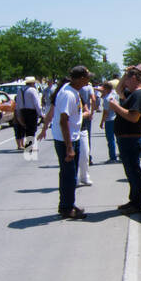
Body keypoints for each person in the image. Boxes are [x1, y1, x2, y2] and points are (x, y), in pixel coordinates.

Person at [48, 66, 89, 219]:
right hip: (67, 140)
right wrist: (69, 147)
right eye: (87, 77)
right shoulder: (68, 94)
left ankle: (68, 204)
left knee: (70, 175)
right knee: (69, 176)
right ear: (80, 79)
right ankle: (66, 208)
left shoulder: (71, 90)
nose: (89, 79)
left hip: (73, 137)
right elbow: (63, 121)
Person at [109, 66, 141, 215]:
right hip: (127, 139)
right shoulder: (133, 93)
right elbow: (119, 89)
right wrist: (127, 72)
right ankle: (133, 201)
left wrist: (116, 107)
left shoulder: (139, 95)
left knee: (134, 172)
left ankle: (138, 204)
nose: (124, 82)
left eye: (127, 79)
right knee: (130, 172)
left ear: (134, 79)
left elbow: (134, 117)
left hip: (131, 139)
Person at [14, 76, 41, 151]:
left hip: (23, 111)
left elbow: (18, 103)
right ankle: (29, 146)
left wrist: (19, 114)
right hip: (31, 112)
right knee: (31, 129)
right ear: (32, 83)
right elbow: (37, 103)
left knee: (26, 129)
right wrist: (41, 113)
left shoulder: (20, 90)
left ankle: (28, 145)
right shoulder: (32, 90)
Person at [77, 78, 95, 186]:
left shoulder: (79, 96)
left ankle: (84, 176)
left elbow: (86, 110)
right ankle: (29, 151)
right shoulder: (67, 94)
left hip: (81, 127)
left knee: (84, 152)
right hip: (72, 129)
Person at [98, 81, 119, 162]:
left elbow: (105, 112)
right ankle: (121, 155)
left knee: (110, 139)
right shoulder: (114, 95)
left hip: (109, 120)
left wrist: (102, 122)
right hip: (116, 118)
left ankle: (112, 157)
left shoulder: (107, 99)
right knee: (117, 138)